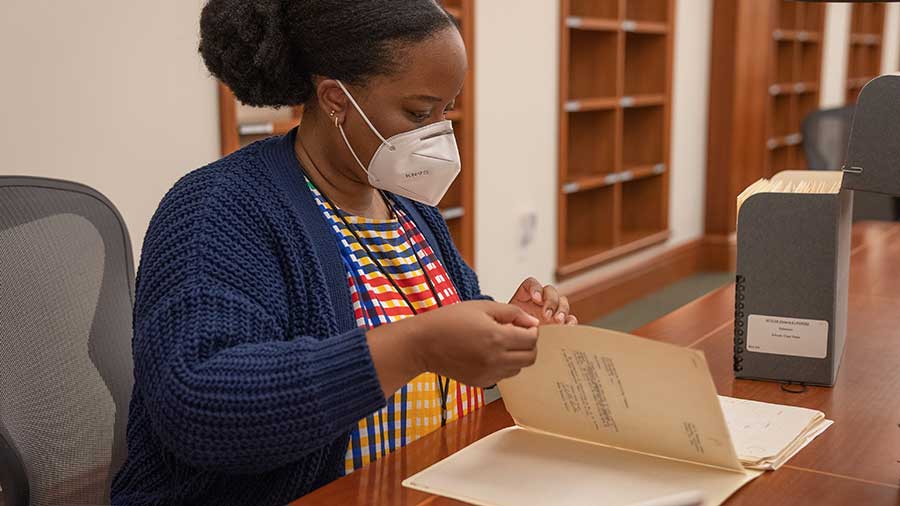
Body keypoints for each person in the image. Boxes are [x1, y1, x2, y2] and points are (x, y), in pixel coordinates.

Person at [111, 1, 577, 504]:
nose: (439, 131)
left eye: (447, 109)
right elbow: (198, 405)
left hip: (427, 480)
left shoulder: (407, 209)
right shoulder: (219, 208)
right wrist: (412, 347)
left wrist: (508, 331)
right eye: (420, 112)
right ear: (336, 99)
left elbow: (448, 326)